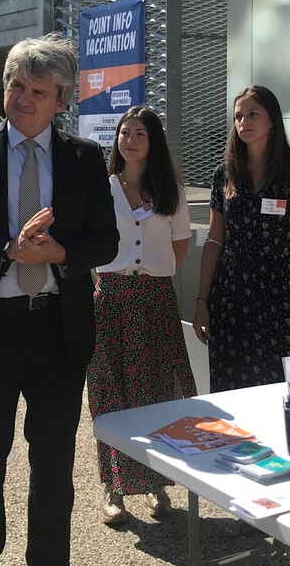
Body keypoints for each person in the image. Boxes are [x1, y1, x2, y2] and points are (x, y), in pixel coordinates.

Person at [0, 33, 118, 565]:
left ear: (61, 100)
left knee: (53, 468)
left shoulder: (83, 157)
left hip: (58, 327)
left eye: (37, 90)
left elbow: (106, 240)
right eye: (15, 86)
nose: (23, 98)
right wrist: (7, 250)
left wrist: (59, 254)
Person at [88, 106, 196, 526]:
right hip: (112, 298)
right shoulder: (102, 187)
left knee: (155, 392)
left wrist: (152, 270)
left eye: (139, 134)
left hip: (154, 301)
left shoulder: (171, 193)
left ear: (154, 142)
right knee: (111, 393)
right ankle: (113, 488)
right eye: (124, 132)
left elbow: (179, 246)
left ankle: (156, 484)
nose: (129, 139)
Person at [193, 85, 290, 391]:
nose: (243, 122)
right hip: (229, 296)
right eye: (238, 116)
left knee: (280, 389)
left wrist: (285, 272)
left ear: (272, 120)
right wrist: (202, 300)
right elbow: (215, 241)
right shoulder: (224, 175)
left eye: (253, 114)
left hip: (277, 300)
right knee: (230, 389)